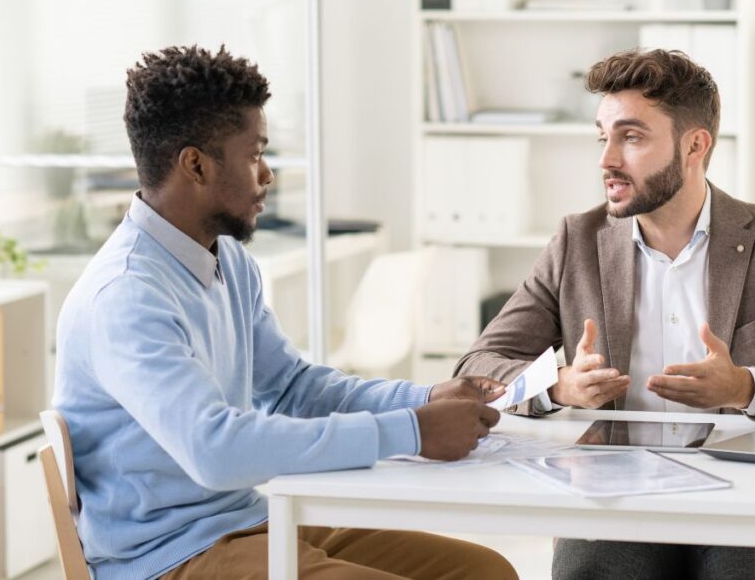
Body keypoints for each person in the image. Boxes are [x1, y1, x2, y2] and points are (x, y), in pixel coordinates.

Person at [53, 45, 517, 580]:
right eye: (254, 154)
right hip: (169, 558)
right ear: (196, 165)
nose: (268, 174)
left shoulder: (225, 259)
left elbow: (293, 387)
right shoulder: (126, 294)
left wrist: (425, 398)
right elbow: (216, 450)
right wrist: (411, 431)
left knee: (485, 572)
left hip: (247, 522)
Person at [454, 48, 755, 580]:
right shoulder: (576, 241)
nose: (606, 159)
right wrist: (556, 386)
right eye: (602, 136)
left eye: (631, 137)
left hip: (743, 499)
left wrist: (744, 388)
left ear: (694, 146)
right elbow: (475, 369)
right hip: (614, 501)